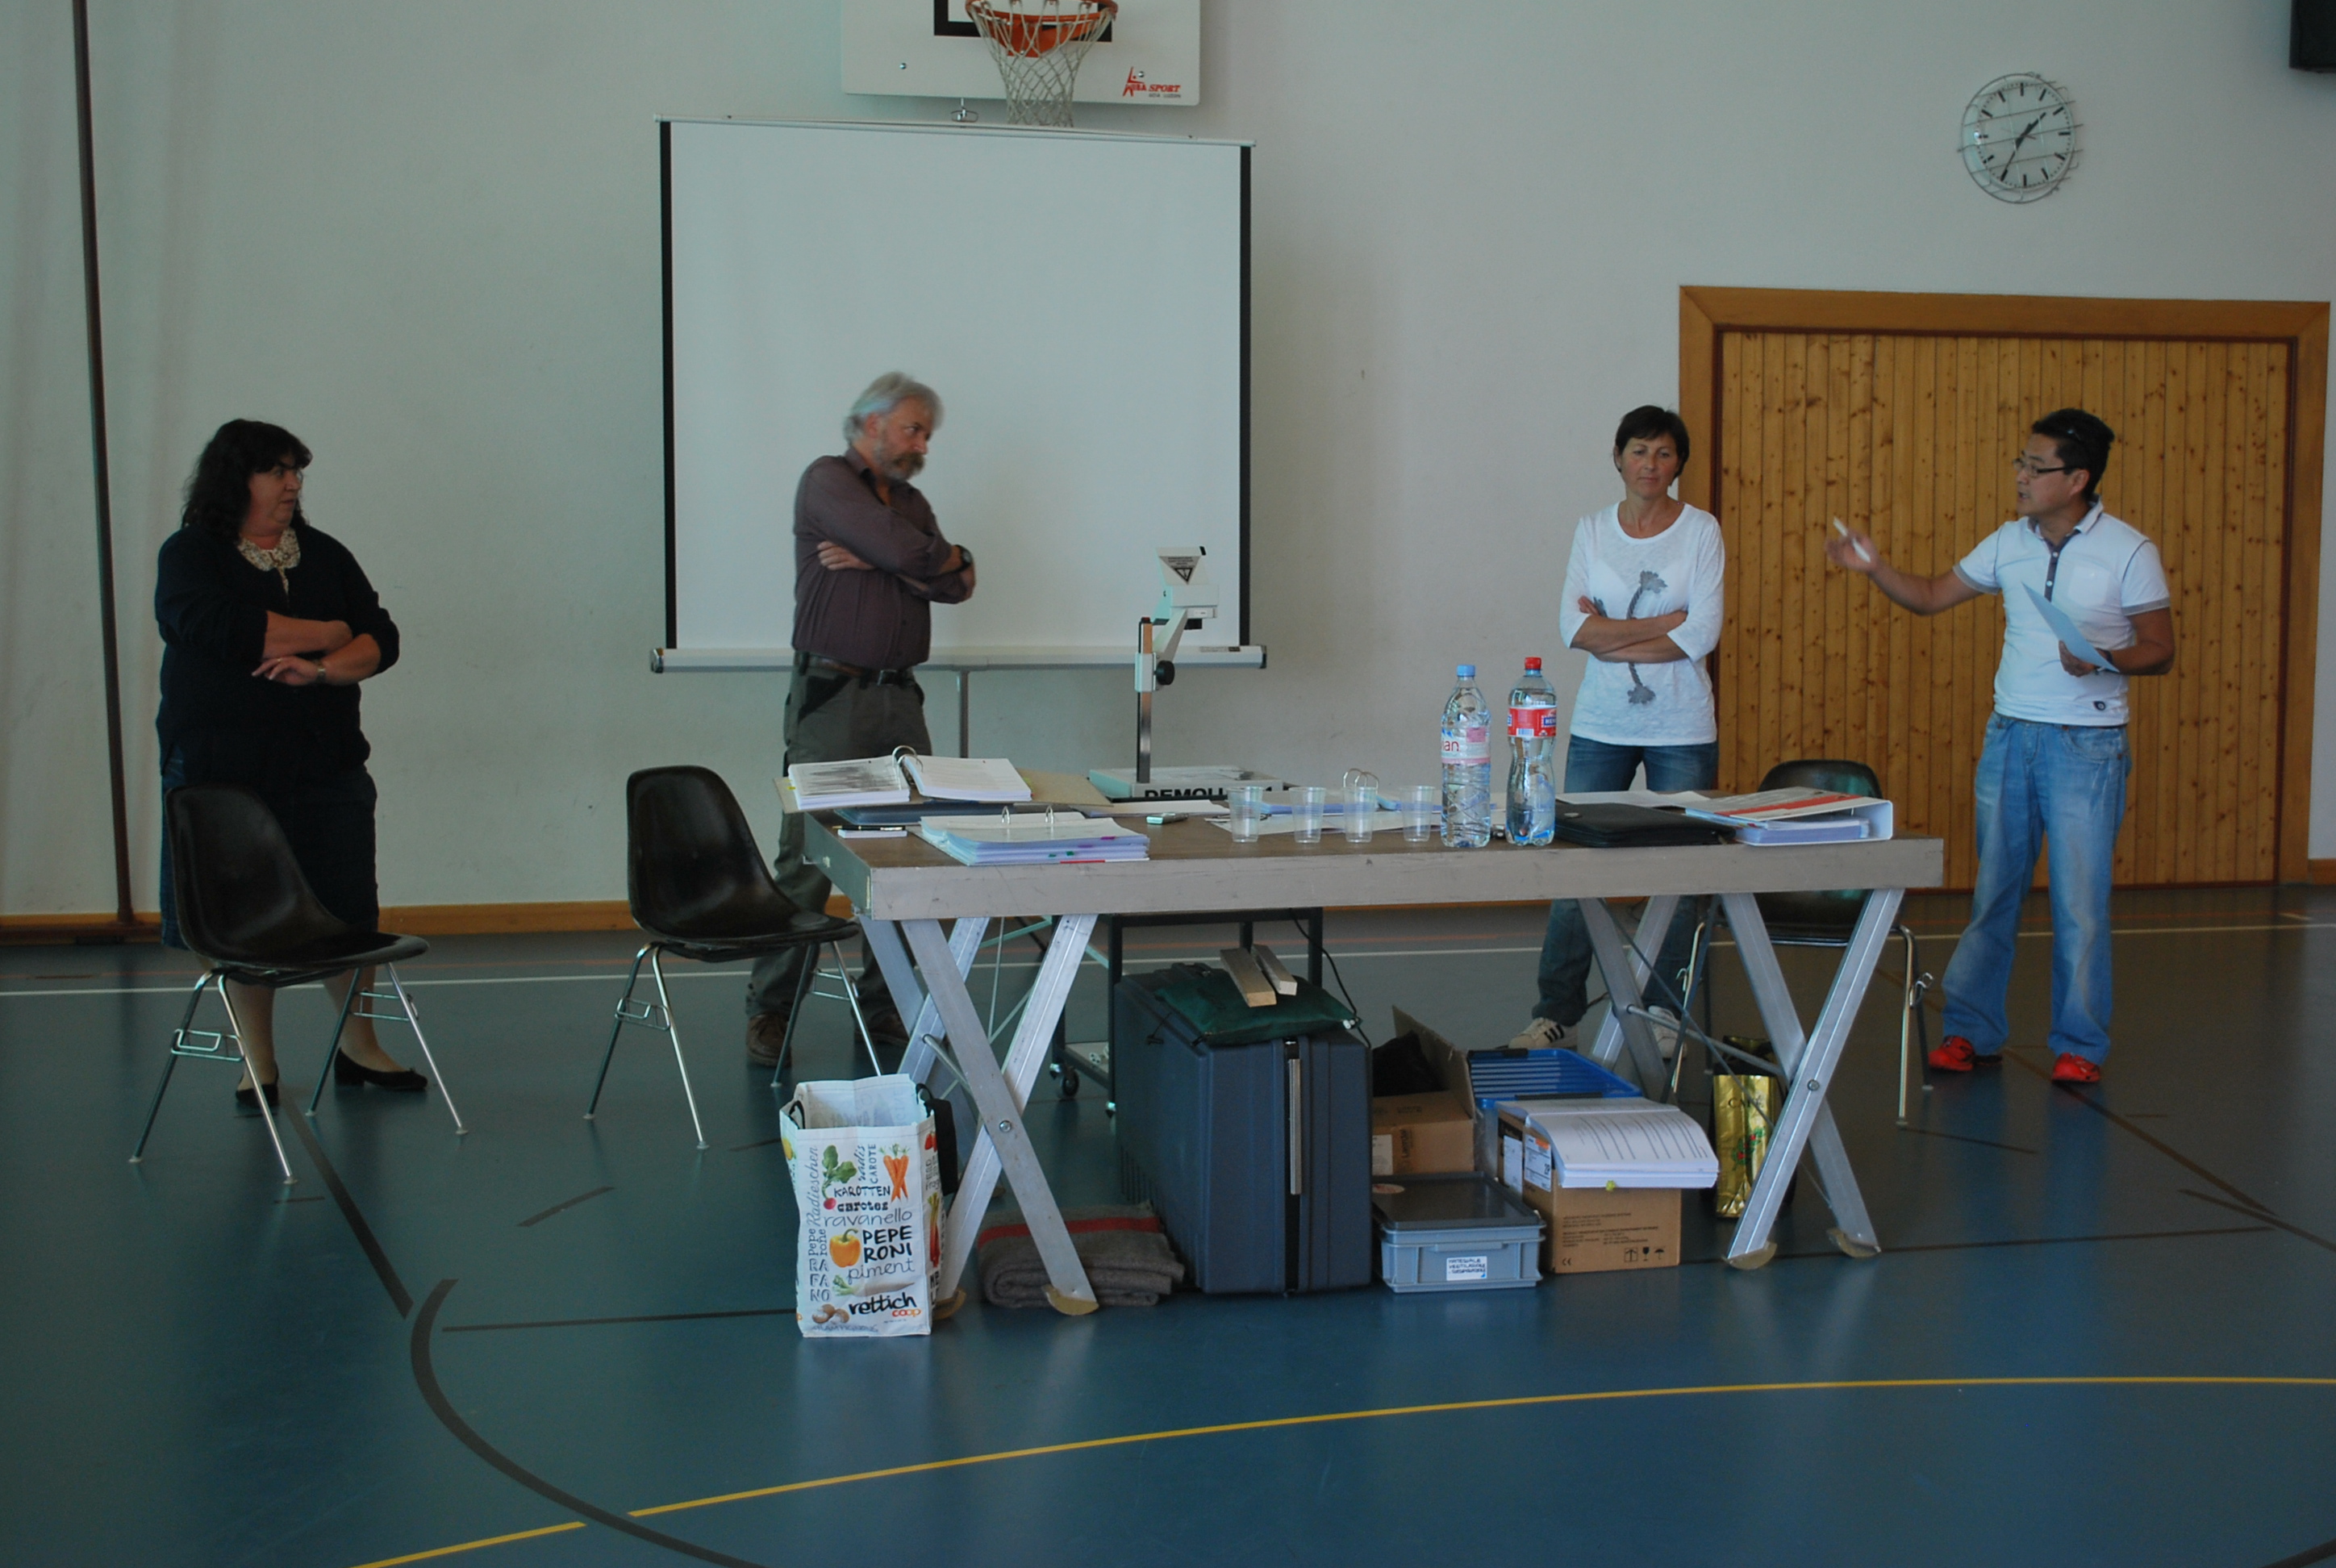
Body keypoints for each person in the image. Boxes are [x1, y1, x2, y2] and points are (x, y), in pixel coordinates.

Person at [1826, 408, 2174, 1083]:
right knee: (1993, 894)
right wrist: (1875, 568)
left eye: (2035, 467)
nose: (2020, 476)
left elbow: (2159, 649)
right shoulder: (2008, 542)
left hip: (2087, 747)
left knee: (2079, 906)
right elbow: (1931, 596)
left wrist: (2104, 658)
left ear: (2077, 479)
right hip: (2010, 737)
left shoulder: (2129, 551)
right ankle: (1971, 1032)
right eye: (2021, 462)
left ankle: (2080, 1046)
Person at [153, 419, 421, 1108]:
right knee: (241, 915)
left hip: (325, 762)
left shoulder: (325, 554)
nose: (293, 484)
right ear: (234, 479)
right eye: (276, 471)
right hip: (223, 772)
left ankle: (359, 1046)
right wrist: (329, 632)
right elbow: (221, 628)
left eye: (296, 471)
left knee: (346, 907)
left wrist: (324, 669)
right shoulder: (192, 553)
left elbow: (381, 639)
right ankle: (258, 1060)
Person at [745, 373, 977, 1066]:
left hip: (900, 700)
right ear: (872, 424)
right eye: (913, 429)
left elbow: (960, 583)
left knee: (902, 858)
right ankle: (771, 1009)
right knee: (808, 859)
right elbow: (918, 557)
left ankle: (886, 1010)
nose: (922, 444)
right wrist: (912, 561)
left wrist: (891, 562)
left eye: (926, 433)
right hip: (834, 699)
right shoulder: (827, 481)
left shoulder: (911, 502)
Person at [1509, 407, 1725, 1057]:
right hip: (1601, 724)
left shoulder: (1700, 531)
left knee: (1679, 874)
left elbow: (1701, 635)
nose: (1650, 465)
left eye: (1663, 453)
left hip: (1681, 726)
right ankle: (1556, 1013)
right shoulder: (1593, 530)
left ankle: (1665, 1011)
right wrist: (1661, 625)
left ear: (1678, 463)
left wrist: (1613, 634)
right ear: (1618, 457)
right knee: (1575, 867)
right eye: (1638, 451)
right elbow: (1573, 631)